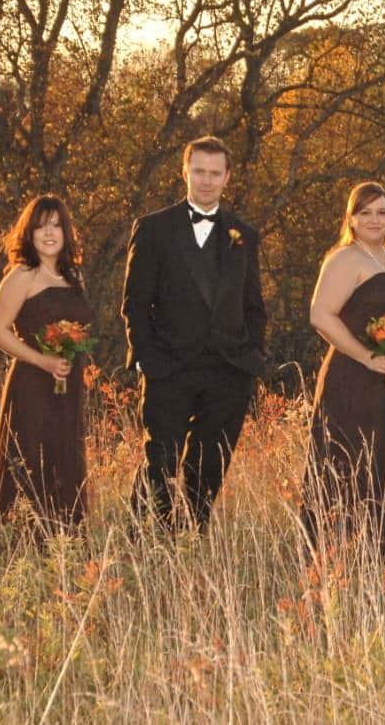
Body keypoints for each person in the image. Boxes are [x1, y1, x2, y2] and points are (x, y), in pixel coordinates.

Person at [121, 136, 267, 530]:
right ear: (185, 172)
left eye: (214, 173)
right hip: (169, 366)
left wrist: (252, 356)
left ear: (227, 177)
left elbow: (253, 305)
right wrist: (146, 358)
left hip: (228, 369)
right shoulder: (153, 229)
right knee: (162, 460)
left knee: (211, 462)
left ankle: (191, 534)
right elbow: (135, 303)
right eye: (199, 171)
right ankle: (144, 539)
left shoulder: (243, 235)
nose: (206, 180)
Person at [301, 182, 385, 561]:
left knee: (384, 464)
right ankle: (334, 559)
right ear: (351, 219)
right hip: (351, 379)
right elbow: (320, 314)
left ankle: (379, 559)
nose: (374, 219)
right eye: (364, 212)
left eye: (381, 212)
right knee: (348, 463)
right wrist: (366, 355)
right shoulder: (344, 259)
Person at [0, 195, 93, 533]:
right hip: (32, 383)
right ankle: (12, 539)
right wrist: (42, 361)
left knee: (64, 456)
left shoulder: (74, 276)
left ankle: (62, 539)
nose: (49, 233)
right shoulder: (22, 275)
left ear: (66, 231)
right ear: (29, 232)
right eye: (41, 226)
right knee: (28, 456)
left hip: (67, 386)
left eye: (56, 225)